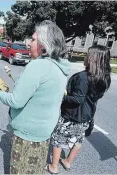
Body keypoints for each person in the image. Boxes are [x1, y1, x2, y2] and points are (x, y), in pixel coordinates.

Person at [0, 20, 70, 174]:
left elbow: (15, 101)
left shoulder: (37, 66)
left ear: (43, 45)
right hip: (43, 134)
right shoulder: (60, 67)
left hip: (27, 136)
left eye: (33, 40)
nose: (28, 44)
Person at [47, 45, 111, 174]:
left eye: (88, 55)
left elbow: (78, 99)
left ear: (94, 59)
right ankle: (67, 162)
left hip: (72, 115)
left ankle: (54, 166)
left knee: (58, 139)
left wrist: (62, 96)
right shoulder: (105, 78)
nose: (86, 57)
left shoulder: (83, 77)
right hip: (87, 115)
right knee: (78, 139)